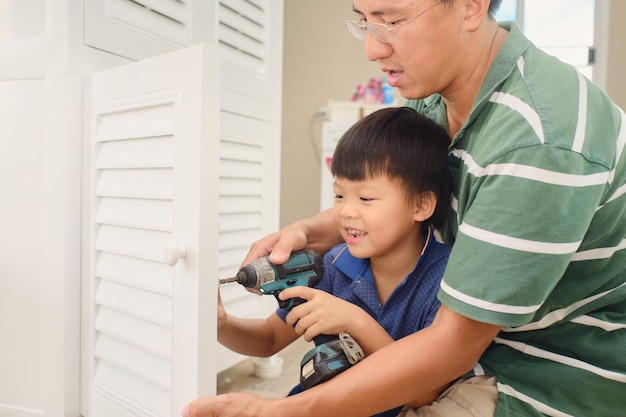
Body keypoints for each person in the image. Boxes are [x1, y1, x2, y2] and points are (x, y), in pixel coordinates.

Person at [183, 0, 626, 416]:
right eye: (363, 20)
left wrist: (277, 410)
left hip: (545, 373)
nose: (373, 48)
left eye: (392, 20)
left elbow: (449, 350)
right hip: (479, 343)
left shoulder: (539, 141)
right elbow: (379, 195)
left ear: (471, 6)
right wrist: (307, 232)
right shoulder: (431, 93)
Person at [216, 107, 453, 417]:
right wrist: (221, 325)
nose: (345, 212)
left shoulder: (444, 281)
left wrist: (356, 323)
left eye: (365, 198)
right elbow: (270, 338)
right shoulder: (332, 265)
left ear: (421, 205)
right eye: (339, 196)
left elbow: (427, 392)